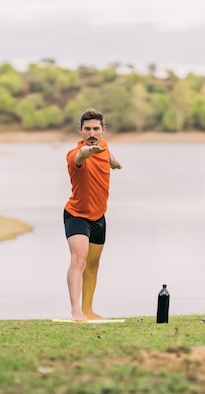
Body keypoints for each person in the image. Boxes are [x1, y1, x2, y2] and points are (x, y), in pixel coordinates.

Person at [64, 108, 122, 321]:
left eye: (96, 129)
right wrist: (88, 152)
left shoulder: (104, 147)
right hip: (77, 215)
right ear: (80, 131)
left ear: (103, 130)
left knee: (93, 264)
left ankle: (88, 310)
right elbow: (81, 156)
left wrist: (115, 163)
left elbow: (108, 155)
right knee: (79, 259)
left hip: (99, 217)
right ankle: (75, 310)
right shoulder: (74, 155)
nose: (91, 133)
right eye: (87, 129)